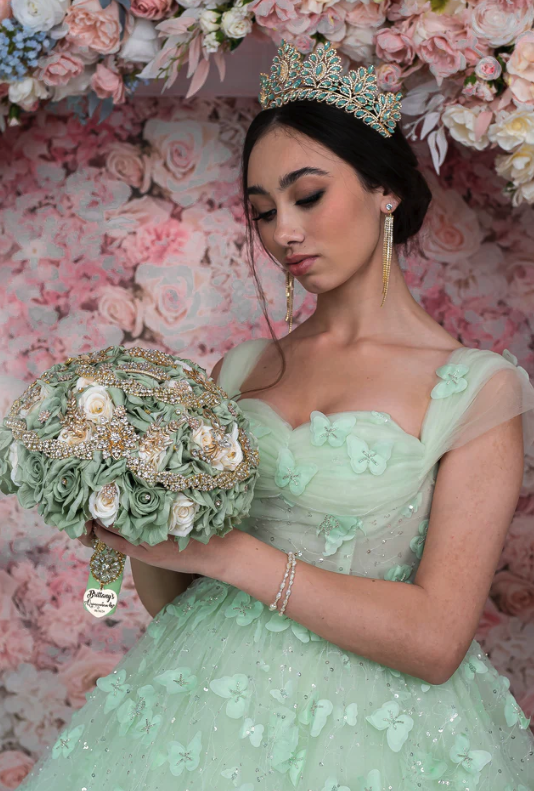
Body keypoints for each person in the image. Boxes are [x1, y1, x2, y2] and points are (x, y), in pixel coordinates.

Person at [18, 40, 534, 791]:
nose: (282, 231)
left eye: (308, 196)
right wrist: (131, 512)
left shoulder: (476, 387)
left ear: (386, 189)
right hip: (196, 714)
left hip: (377, 734)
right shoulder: (241, 370)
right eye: (263, 211)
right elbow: (178, 603)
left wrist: (234, 557)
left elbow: (436, 640)